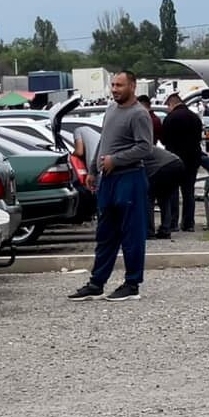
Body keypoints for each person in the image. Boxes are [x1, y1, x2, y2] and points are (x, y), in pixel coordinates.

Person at [68, 71, 155, 302]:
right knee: (105, 234)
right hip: (107, 180)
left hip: (130, 178)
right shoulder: (111, 109)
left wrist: (115, 160)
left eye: (120, 85)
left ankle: (132, 283)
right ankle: (97, 283)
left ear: (133, 86)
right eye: (113, 85)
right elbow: (104, 141)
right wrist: (94, 170)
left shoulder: (139, 115)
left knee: (131, 234)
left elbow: (145, 148)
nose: (115, 89)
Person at [160, 93, 205, 233]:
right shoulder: (195, 118)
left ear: (171, 104)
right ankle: (188, 223)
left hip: (174, 160)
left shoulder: (170, 118)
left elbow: (164, 140)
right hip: (192, 159)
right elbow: (199, 137)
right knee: (188, 192)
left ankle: (173, 222)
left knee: (173, 192)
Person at [142, 145, 186, 240]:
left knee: (148, 199)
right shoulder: (147, 147)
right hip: (177, 163)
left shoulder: (136, 151)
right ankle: (165, 230)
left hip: (163, 167)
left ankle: (149, 231)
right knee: (165, 198)